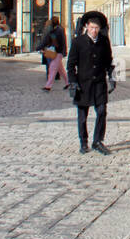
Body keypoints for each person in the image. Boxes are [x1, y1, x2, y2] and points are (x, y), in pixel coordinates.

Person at [66, 11, 114, 154]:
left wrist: (113, 77)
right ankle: (83, 142)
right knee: (82, 116)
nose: (94, 31)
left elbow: (109, 61)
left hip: (99, 83)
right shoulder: (78, 42)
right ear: (86, 26)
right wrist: (73, 82)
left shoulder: (104, 41)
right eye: (92, 27)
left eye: (97, 28)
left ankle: (98, 141)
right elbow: (70, 65)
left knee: (101, 112)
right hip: (83, 85)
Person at [40, 17, 68, 90]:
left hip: (57, 51)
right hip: (58, 51)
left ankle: (48, 86)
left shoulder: (57, 30)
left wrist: (41, 46)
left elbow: (56, 41)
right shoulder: (58, 29)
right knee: (61, 70)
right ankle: (68, 83)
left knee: (52, 68)